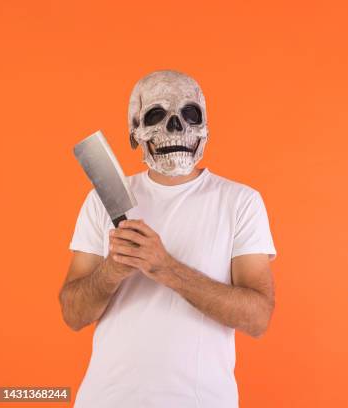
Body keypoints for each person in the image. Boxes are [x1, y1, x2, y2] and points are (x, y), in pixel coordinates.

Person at [59, 70, 276, 407]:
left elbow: (258, 317)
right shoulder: (102, 199)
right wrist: (111, 271)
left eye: (190, 115)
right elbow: (73, 315)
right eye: (156, 116)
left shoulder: (240, 202)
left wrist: (167, 269)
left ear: (205, 129)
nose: (176, 128)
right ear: (135, 132)